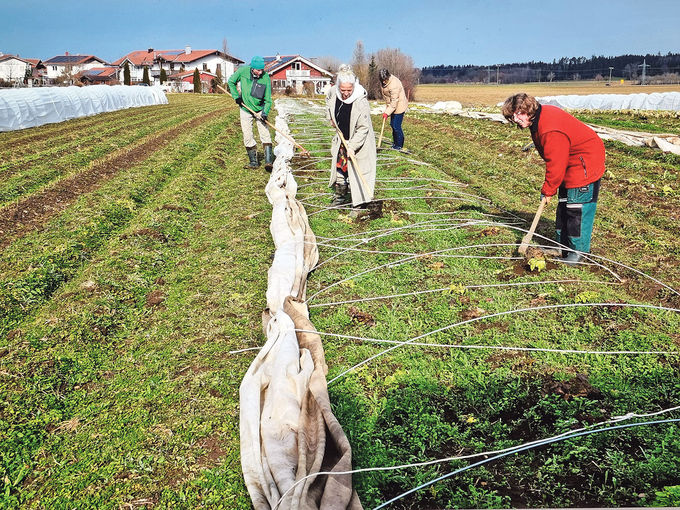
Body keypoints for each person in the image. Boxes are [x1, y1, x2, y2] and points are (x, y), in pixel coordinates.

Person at [502, 93, 605, 265]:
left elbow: (556, 162)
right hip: (570, 162)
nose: (516, 119)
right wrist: (551, 188)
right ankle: (562, 247)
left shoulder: (549, 128)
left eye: (518, 113)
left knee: (576, 209)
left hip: (584, 163)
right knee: (564, 206)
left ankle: (578, 253)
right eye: (512, 116)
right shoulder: (539, 119)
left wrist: (548, 189)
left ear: (527, 109)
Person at [325, 65, 376, 216]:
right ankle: (340, 197)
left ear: (354, 86)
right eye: (343, 90)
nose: (346, 93)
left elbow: (363, 128)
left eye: (349, 90)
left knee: (358, 171)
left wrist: (352, 146)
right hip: (342, 138)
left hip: (360, 142)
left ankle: (359, 205)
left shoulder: (361, 102)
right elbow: (328, 103)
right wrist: (331, 119)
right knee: (341, 169)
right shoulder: (334, 92)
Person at [227, 56, 274, 171]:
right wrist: (236, 96)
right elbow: (231, 82)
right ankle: (254, 162)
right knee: (247, 134)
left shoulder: (265, 78)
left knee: (265, 133)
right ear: (252, 68)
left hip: (259, 109)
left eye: (262, 70)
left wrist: (265, 112)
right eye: (258, 70)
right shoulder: (243, 71)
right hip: (245, 109)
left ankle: (268, 161)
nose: (260, 72)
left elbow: (268, 99)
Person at [379, 68, 408, 151]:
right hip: (392, 105)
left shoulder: (394, 85)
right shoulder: (383, 82)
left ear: (388, 77)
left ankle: (399, 146)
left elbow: (394, 101)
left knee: (396, 125)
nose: (384, 82)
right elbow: (388, 98)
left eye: (385, 80)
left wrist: (387, 112)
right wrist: (387, 108)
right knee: (392, 124)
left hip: (399, 105)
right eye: (382, 80)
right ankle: (395, 143)